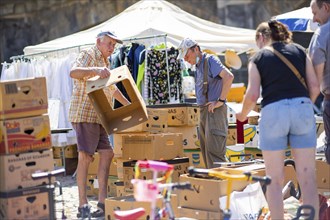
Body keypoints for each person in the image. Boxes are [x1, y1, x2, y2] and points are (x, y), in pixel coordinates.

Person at [236, 20, 320, 219]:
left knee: (274, 179)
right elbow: (315, 87)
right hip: (302, 108)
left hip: (273, 111)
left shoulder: (258, 57)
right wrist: (302, 105)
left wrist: (242, 115)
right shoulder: (300, 50)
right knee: (307, 177)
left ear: (262, 37)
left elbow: (252, 94)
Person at [69, 31, 130, 218]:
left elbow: (111, 88)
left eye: (114, 45)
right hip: (85, 114)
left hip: (99, 116)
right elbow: (73, 72)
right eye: (109, 44)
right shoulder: (88, 55)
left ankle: (102, 203)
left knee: (107, 153)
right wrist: (95, 70)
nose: (112, 48)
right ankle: (82, 205)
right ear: (99, 42)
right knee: (85, 158)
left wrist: (131, 105)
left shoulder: (107, 62)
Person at [177, 38, 234, 168]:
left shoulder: (210, 60)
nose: (185, 59)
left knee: (215, 155)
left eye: (187, 55)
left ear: (196, 49)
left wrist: (220, 101)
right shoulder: (198, 66)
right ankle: (214, 185)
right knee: (206, 152)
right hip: (205, 111)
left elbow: (229, 77)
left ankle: (221, 186)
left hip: (214, 112)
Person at [308, 0, 330, 164]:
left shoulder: (322, 34)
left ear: (326, 8)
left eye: (315, 13)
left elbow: (314, 80)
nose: (314, 19)